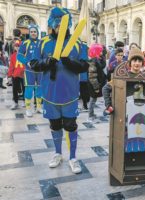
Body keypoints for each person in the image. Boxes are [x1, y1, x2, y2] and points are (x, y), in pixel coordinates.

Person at [30, 7, 89, 174]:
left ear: (68, 24)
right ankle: (57, 153)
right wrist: (47, 62)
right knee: (55, 125)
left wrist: (69, 62)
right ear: (51, 25)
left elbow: (84, 65)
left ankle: (73, 157)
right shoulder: (43, 43)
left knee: (70, 126)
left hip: (70, 94)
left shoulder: (78, 44)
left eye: (61, 24)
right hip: (49, 94)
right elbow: (34, 63)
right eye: (55, 25)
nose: (58, 28)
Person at [102, 48, 145, 116]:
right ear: (130, 62)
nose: (137, 63)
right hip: (123, 112)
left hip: (139, 111)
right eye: (134, 60)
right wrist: (108, 105)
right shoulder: (122, 76)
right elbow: (105, 89)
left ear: (142, 63)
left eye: (139, 61)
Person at [17, 24, 42, 117]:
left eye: (35, 32)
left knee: (40, 89)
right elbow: (19, 55)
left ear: (37, 33)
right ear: (29, 33)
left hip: (40, 71)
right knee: (29, 90)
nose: (33, 33)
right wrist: (26, 62)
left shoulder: (41, 42)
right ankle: (28, 109)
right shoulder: (25, 43)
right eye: (31, 32)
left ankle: (39, 107)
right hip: (29, 71)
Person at [87, 43, 107, 123]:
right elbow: (92, 76)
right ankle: (90, 115)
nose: (102, 52)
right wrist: (96, 87)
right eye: (100, 51)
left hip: (97, 83)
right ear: (96, 51)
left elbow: (102, 66)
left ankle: (92, 114)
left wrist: (102, 57)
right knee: (92, 100)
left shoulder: (97, 60)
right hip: (93, 84)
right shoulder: (92, 62)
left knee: (94, 99)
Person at [7, 40, 25, 110]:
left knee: (24, 88)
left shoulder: (25, 55)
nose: (17, 48)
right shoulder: (13, 56)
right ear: (14, 47)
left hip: (23, 74)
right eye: (16, 46)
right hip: (15, 75)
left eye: (19, 46)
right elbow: (11, 66)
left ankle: (24, 100)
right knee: (15, 89)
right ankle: (15, 102)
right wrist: (9, 75)